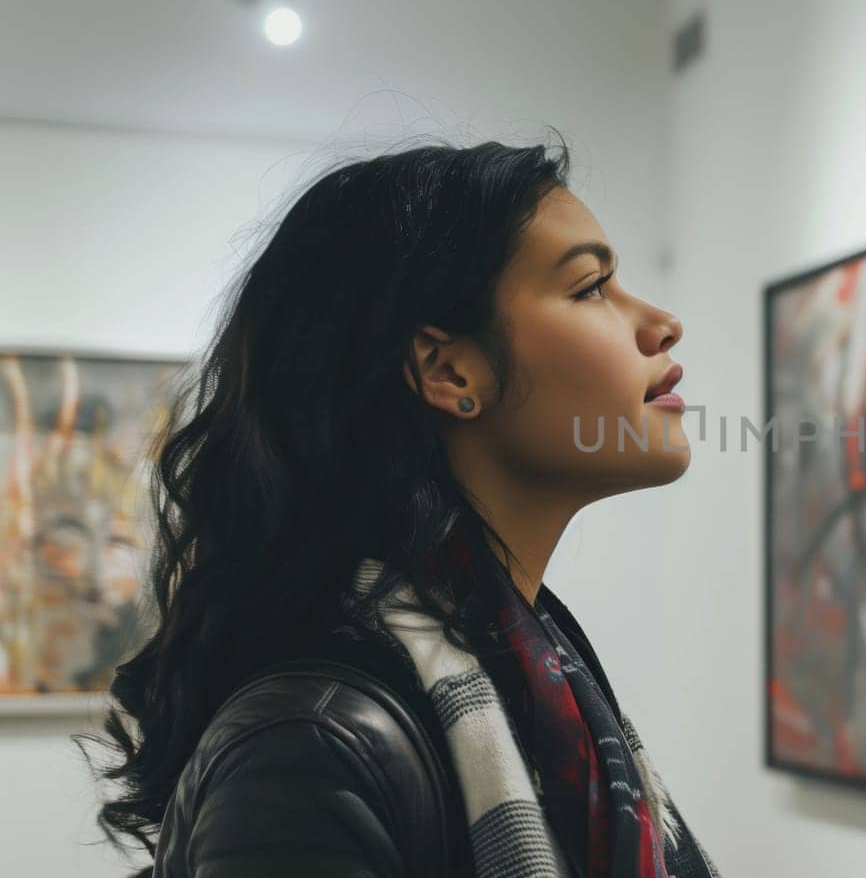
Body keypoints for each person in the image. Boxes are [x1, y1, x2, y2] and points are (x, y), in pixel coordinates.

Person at [82, 138, 720, 878]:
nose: (661, 322)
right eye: (590, 288)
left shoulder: (541, 689)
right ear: (448, 369)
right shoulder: (314, 749)